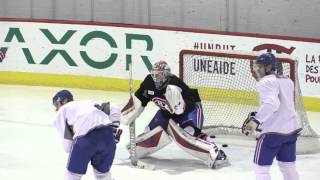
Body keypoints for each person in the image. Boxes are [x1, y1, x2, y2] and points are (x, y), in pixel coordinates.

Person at [122, 60, 228, 168]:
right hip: (166, 113)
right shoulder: (149, 82)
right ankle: (139, 149)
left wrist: (182, 106)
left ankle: (216, 152)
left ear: (166, 74)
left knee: (189, 132)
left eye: (160, 75)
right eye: (154, 75)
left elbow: (191, 102)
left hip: (190, 111)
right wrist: (129, 111)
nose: (156, 78)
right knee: (149, 132)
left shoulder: (175, 84)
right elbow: (140, 98)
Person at [242, 53, 300, 180]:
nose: (256, 69)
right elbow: (283, 105)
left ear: (269, 67)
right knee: (288, 166)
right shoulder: (287, 80)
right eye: (256, 66)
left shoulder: (266, 81)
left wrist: (256, 120)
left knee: (261, 169)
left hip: (273, 133)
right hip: (291, 130)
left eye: (260, 66)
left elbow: (272, 103)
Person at [53, 90, 122, 180]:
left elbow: (67, 146)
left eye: (57, 105)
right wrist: (112, 133)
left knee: (72, 175)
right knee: (103, 175)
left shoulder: (63, 110)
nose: (56, 109)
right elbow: (115, 109)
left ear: (64, 101)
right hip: (107, 137)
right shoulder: (88, 103)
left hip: (85, 140)